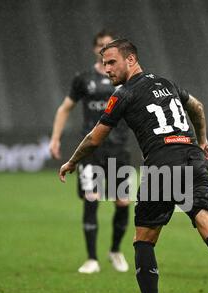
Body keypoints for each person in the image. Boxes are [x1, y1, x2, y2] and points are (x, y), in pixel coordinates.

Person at [59, 39, 208, 293]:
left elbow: (94, 137)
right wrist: (202, 140)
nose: (106, 68)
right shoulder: (168, 83)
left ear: (131, 59)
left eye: (112, 62)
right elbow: (197, 107)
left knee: (143, 240)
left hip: (162, 163)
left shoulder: (123, 94)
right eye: (104, 62)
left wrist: (72, 161)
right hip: (193, 159)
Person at [50, 31, 130, 274]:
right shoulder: (83, 79)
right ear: (95, 49)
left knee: (122, 201)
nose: (104, 48)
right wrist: (55, 138)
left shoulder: (126, 79)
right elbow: (65, 108)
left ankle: (115, 251)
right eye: (100, 45)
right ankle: (92, 259)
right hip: (91, 149)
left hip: (118, 148)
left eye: (109, 45)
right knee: (92, 197)